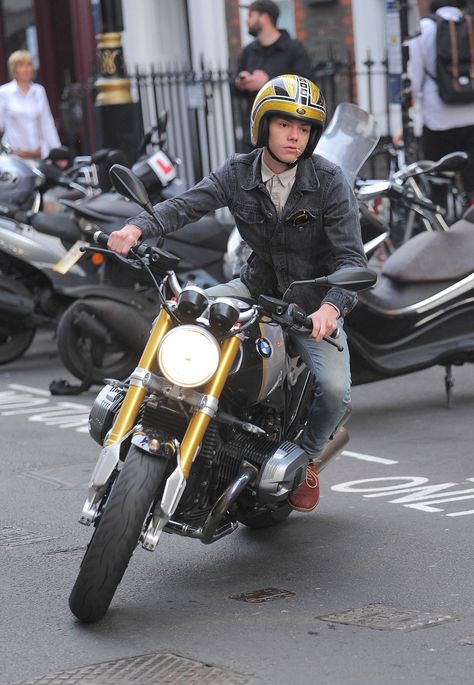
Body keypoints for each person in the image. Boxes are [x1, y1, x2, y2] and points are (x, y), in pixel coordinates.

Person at [107, 74, 367, 513]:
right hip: (254, 286)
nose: (294, 136)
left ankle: (307, 457)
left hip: (308, 305)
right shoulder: (238, 171)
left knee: (336, 388)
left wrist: (330, 307)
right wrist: (137, 227)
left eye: (304, 129)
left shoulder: (330, 181)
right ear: (263, 125)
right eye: (285, 125)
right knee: (172, 318)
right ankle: (147, 406)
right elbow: (186, 204)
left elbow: (351, 261)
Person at [408, 0, 474, 205]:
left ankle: (443, 224)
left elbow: (415, 78)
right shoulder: (471, 24)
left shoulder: (424, 28)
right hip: (471, 114)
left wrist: (413, 108)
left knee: (439, 177)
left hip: (438, 117)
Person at [234, 0, 313, 150]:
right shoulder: (248, 51)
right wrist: (240, 81)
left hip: (287, 133)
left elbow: (306, 87)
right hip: (254, 131)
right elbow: (234, 85)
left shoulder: (294, 49)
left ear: (264, 18)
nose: (247, 20)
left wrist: (268, 83)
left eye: (251, 15)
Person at [0, 50, 61, 162]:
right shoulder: (4, 93)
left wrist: (57, 152)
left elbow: (47, 123)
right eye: (21, 65)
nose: (26, 69)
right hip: (14, 159)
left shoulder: (39, 91)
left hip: (39, 156)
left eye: (29, 65)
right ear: (14, 69)